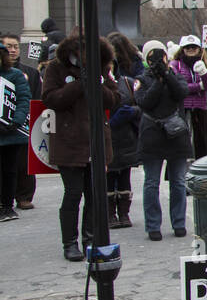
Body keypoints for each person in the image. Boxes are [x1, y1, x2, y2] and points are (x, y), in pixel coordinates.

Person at [42, 34, 120, 261]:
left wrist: (95, 84)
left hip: (95, 141)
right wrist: (77, 85)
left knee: (94, 194)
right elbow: (49, 98)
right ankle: (69, 243)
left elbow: (114, 99)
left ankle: (90, 238)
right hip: (69, 141)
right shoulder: (57, 68)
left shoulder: (101, 68)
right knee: (73, 193)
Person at [136, 40, 193, 240]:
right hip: (152, 135)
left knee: (178, 181)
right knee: (151, 183)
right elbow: (145, 102)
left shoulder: (176, 76)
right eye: (152, 57)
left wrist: (167, 75)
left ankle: (178, 222)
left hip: (176, 136)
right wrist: (158, 81)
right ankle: (153, 225)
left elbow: (181, 93)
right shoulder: (142, 79)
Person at [105, 34, 142, 229]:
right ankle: (110, 213)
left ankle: (124, 213)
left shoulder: (127, 82)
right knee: (109, 178)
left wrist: (131, 112)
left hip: (126, 137)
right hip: (107, 138)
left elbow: (139, 107)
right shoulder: (97, 85)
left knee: (125, 177)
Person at [3, 33, 40, 209]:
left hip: (24, 124)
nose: (12, 50)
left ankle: (24, 196)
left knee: (24, 162)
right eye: (9, 46)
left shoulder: (30, 72)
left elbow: (34, 97)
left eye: (15, 46)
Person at [0, 35, 32, 222]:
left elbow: (23, 99)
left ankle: (7, 205)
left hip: (12, 132)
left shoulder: (15, 75)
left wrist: (16, 121)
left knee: (10, 170)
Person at [172, 35, 207, 158]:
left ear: (199, 49)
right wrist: (197, 86)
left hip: (200, 108)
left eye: (194, 47)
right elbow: (178, 86)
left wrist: (204, 73)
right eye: (187, 47)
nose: (190, 49)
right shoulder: (175, 65)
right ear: (182, 49)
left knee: (202, 142)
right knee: (182, 142)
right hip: (182, 108)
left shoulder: (206, 65)